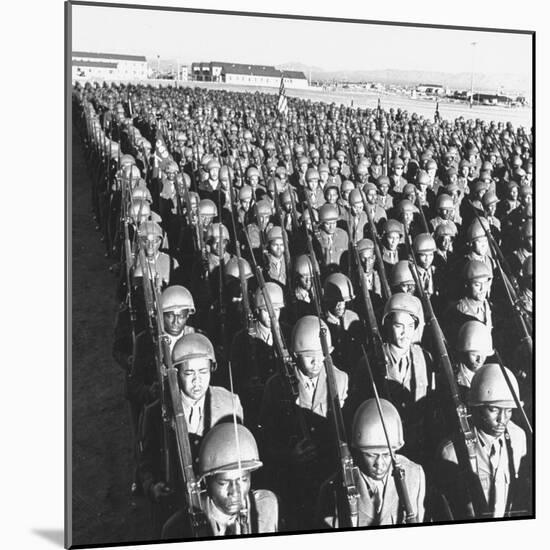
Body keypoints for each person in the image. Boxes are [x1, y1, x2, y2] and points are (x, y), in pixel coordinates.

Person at [139, 333, 243, 536]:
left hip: (221, 504)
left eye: (203, 372)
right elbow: (145, 463)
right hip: (178, 503)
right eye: (189, 374)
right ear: (176, 374)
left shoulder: (230, 403)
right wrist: (152, 487)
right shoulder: (155, 413)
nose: (198, 381)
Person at [258, 315, 349, 530]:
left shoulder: (341, 379)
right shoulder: (277, 386)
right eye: (310, 357)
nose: (317, 362)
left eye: (322, 355)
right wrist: (288, 455)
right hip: (294, 478)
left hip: (331, 470)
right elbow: (265, 438)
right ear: (296, 355)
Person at [436, 364, 527, 520]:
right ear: (476, 408)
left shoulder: (518, 438)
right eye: (494, 409)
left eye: (509, 410)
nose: (502, 419)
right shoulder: (452, 452)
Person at [317, 398, 425, 527]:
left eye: (386, 455)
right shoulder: (334, 488)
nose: (379, 464)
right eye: (371, 455)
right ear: (359, 451)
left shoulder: (414, 475)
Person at [162, 423, 279, 538]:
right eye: (223, 483)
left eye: (243, 480)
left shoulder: (265, 507)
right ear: (206, 482)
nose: (235, 491)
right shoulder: (178, 527)